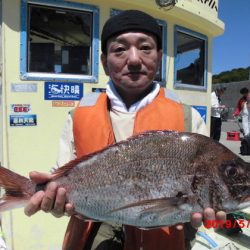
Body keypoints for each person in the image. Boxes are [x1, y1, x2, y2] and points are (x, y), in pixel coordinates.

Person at [24, 10, 226, 250]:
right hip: (94, 237)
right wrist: (52, 198)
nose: (133, 59)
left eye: (145, 48)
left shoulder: (188, 118)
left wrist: (204, 212)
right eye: (119, 49)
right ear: (103, 62)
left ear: (159, 57)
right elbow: (63, 178)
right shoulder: (79, 115)